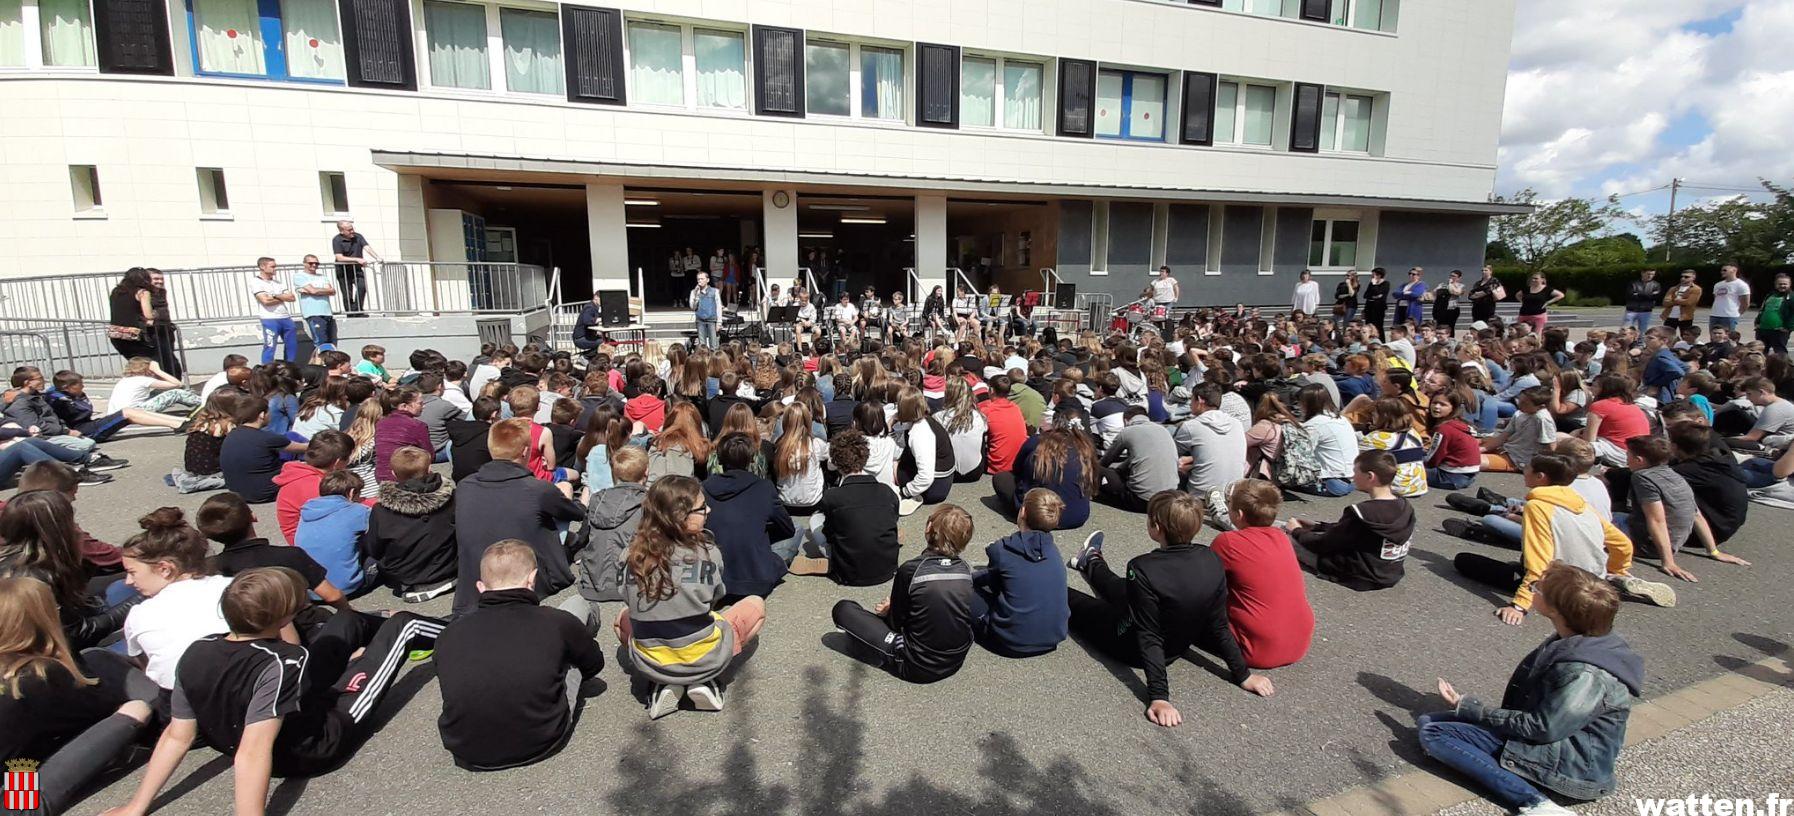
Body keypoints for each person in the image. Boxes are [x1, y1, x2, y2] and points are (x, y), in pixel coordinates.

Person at [99, 568, 445, 814]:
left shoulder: (197, 651)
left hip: (276, 718)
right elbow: (253, 752)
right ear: (283, 619)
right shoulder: (283, 662)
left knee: (348, 621)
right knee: (404, 625)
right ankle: (463, 632)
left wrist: (136, 805)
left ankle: (373, 634)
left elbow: (178, 735)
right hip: (317, 743)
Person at [1421, 562, 1642, 816]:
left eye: (1537, 588)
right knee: (1429, 720)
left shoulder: (1585, 674)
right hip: (1559, 743)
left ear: (1556, 610)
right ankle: (1506, 767)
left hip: (1573, 768)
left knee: (1434, 733)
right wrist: (1467, 709)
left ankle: (1536, 803)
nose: (1531, 589)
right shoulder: (1577, 638)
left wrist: (1475, 710)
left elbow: (1542, 728)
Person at [1064, 492, 1274, 728]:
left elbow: (1148, 635)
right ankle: (1091, 560)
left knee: (1080, 605)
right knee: (1122, 588)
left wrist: (1159, 697)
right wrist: (1243, 674)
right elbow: (1218, 624)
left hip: (1129, 644)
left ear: (1156, 527)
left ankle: (1042, 584)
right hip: (1175, 643)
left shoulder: (1142, 567)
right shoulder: (1211, 559)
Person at [434, 540, 604, 771]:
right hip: (541, 739)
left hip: (468, 751)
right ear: (532, 579)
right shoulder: (555, 621)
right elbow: (594, 665)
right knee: (579, 606)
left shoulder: (449, 634)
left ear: (481, 587)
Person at [1452, 453, 1673, 626]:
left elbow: (1539, 561)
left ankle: (1565, 590)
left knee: (1465, 561)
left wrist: (1519, 606)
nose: (1524, 470)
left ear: (1540, 476)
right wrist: (1617, 569)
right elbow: (1622, 544)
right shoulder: (1579, 502)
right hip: (1593, 574)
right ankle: (1611, 580)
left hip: (1559, 581)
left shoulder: (1537, 507)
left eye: (1528, 468)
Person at [0, 576, 158, 816]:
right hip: (14, 798)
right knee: (135, 710)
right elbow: (102, 708)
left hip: (19, 762)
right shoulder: (39, 675)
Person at [616, 476, 766, 719]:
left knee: (621, 618)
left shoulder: (630, 555)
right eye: (702, 507)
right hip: (704, 656)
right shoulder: (708, 552)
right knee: (756, 604)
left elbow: (627, 599)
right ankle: (705, 681)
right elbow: (715, 597)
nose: (709, 510)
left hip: (652, 661)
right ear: (680, 516)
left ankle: (665, 683)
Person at [452, 418, 585, 616]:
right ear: (525, 451)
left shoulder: (465, 486)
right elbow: (575, 513)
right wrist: (583, 502)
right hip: (526, 573)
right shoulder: (537, 489)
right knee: (559, 504)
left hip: (476, 577)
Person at [831, 503, 977, 683]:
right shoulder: (965, 570)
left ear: (928, 528)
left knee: (843, 609)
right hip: (955, 660)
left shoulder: (912, 570)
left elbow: (896, 622)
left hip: (916, 665)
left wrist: (889, 610)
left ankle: (875, 651)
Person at [118, 508, 232, 695]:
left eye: (132, 572)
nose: (128, 582)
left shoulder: (140, 614)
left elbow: (148, 668)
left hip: (181, 700)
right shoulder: (234, 588)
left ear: (165, 569)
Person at [1209, 480, 1314, 669]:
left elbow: (1204, 584)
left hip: (1256, 647)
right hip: (1298, 643)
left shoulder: (1228, 542)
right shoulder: (1282, 538)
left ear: (1239, 514)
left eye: (1229, 504)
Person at [197, 491, 355, 613]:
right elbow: (332, 596)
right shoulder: (289, 556)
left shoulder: (210, 568)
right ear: (253, 516)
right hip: (300, 624)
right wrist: (348, 613)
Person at [1287, 451, 1414, 590]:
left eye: (1356, 472)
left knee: (1282, 537)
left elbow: (1322, 544)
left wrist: (1296, 531)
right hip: (1388, 573)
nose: (1352, 477)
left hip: (1356, 574)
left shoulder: (1361, 512)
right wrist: (1318, 526)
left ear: (1370, 476)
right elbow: (1355, 533)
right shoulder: (1405, 507)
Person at [788, 430, 901, 585]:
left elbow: (829, 532)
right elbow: (894, 518)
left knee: (815, 519)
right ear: (865, 457)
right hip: (888, 569)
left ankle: (833, 559)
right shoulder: (886, 491)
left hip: (848, 573)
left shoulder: (832, 496)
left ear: (836, 463)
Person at [971, 489, 1069, 657]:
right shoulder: (1054, 551)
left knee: (960, 590)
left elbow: (995, 584)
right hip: (1052, 640)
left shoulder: (1002, 549)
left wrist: (969, 579)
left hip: (1009, 643)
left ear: (1023, 512)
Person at [703, 432, 797, 600]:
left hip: (715, 580)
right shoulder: (764, 487)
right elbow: (788, 529)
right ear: (752, 459)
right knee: (799, 529)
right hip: (756, 581)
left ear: (719, 459)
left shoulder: (703, 489)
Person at [363, 445, 458, 603]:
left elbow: (374, 549)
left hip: (404, 574)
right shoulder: (451, 497)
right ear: (429, 469)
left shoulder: (381, 510)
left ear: (393, 473)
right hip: (448, 565)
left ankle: (422, 583)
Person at [572, 446, 649, 603]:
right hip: (630, 584)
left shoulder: (598, 499)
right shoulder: (649, 503)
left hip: (592, 582)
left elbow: (584, 536)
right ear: (646, 471)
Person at [294, 470, 375, 596]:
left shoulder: (308, 509)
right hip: (345, 589)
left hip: (310, 590)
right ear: (352, 493)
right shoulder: (358, 511)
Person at [219, 392, 308, 503]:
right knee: (306, 469)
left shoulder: (231, 436)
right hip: (264, 492)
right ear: (262, 415)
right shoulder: (267, 438)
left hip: (237, 492)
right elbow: (304, 448)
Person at [273, 429, 353, 545]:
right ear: (337, 462)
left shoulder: (297, 474)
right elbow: (344, 517)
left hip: (300, 535)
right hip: (311, 543)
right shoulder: (319, 486)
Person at [1098, 407, 1180, 511]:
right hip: (1168, 498)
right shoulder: (1163, 430)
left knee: (1098, 470)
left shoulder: (1128, 431)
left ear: (1126, 420)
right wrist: (1119, 470)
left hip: (1141, 500)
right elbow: (1137, 458)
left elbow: (1106, 461)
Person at [1174, 383, 1248, 498]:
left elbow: (1172, 455)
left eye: (1191, 399)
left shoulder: (1191, 426)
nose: (1190, 403)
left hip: (1201, 494)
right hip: (1233, 492)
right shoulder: (1236, 424)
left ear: (1200, 400)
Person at [1299, 384, 1359, 496]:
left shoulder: (1315, 425)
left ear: (1307, 404)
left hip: (1331, 483)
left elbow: (1300, 452)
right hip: (1351, 479)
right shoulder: (1341, 419)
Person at [1480, 386, 1555, 473]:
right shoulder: (1519, 414)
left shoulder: (1543, 419)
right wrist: (1480, 449)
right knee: (1473, 443)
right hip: (1505, 449)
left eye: (1525, 403)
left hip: (1517, 460)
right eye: (1520, 400)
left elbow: (1550, 448)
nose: (1520, 404)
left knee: (1473, 461)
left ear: (1541, 407)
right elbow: (1501, 438)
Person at [374, 386, 431, 483]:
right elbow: (429, 455)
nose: (424, 406)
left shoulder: (380, 423)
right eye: (420, 403)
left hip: (381, 476)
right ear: (404, 406)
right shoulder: (417, 425)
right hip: (407, 477)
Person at [248, 257, 298, 364]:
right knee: (270, 345)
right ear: (262, 267)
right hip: (269, 318)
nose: (275, 269)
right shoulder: (256, 282)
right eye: (272, 266)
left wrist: (274, 296)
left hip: (285, 317)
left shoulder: (278, 282)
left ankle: (289, 367)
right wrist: (282, 297)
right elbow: (265, 301)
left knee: (292, 345)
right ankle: (267, 368)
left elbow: (292, 297)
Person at [979, 375, 1029, 476]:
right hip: (1018, 463)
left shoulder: (988, 411)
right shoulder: (1016, 408)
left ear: (991, 390)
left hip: (997, 466)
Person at [291, 254, 339, 351]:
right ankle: (320, 360)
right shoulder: (299, 276)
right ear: (304, 264)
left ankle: (328, 359)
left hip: (327, 312)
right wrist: (320, 291)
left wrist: (314, 291)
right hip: (313, 313)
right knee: (320, 342)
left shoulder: (322, 277)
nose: (314, 265)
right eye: (311, 263)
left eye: (317, 263)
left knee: (330, 342)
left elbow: (332, 291)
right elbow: (313, 291)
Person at [331, 219, 379, 315]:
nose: (352, 231)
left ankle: (358, 310)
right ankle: (350, 313)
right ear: (342, 231)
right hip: (343, 270)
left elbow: (367, 247)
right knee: (347, 293)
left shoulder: (358, 236)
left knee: (362, 287)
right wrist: (357, 259)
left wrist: (377, 257)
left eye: (352, 229)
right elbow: (339, 257)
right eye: (349, 230)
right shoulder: (337, 240)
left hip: (356, 269)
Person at [1754, 272, 1794, 355]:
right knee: (1760, 352)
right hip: (1763, 329)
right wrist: (1757, 322)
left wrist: (1788, 327)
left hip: (1779, 330)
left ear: (1790, 284)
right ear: (1775, 285)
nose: (1782, 286)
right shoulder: (1770, 295)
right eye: (1780, 284)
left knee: (1780, 353)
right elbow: (1762, 309)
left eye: (1785, 284)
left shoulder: (1791, 297)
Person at [1708, 263, 1750, 333]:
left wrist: (1737, 313)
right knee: (1713, 336)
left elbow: (1745, 303)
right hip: (1714, 315)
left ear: (1734, 270)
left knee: (1727, 336)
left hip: (1729, 317)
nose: (1722, 272)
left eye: (1725, 270)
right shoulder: (1718, 285)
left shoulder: (1741, 285)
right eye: (1721, 270)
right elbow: (1716, 298)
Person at [1622, 268, 1660, 332]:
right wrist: (1648, 295)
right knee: (1626, 329)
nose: (1650, 276)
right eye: (1648, 274)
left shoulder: (1656, 285)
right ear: (1642, 273)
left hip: (1646, 311)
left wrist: (1638, 294)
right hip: (1631, 310)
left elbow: (1655, 297)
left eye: (1652, 274)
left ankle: (1641, 339)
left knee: (1643, 331)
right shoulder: (1633, 283)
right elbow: (1630, 296)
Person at [690, 271, 721, 349]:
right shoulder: (694, 292)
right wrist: (696, 296)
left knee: (713, 344)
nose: (700, 281)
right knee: (702, 345)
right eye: (698, 279)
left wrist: (719, 322)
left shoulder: (715, 291)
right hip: (700, 320)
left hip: (712, 320)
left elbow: (718, 307)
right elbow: (693, 307)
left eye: (702, 279)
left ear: (707, 280)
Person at [1434, 269, 1464, 335]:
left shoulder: (1460, 285)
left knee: (1450, 326)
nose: (1451, 277)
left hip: (1452, 309)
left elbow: (1455, 292)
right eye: (1451, 275)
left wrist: (1450, 284)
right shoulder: (1443, 284)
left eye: (1454, 276)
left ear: (1459, 278)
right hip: (1441, 308)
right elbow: (1435, 292)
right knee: (1440, 326)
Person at [1361, 267, 1390, 336]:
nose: (1372, 276)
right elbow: (1365, 295)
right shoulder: (1371, 283)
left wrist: (1374, 284)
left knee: (1378, 325)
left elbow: (1379, 293)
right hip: (1369, 307)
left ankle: (1380, 339)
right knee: (1369, 324)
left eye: (1373, 275)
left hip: (1379, 308)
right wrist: (1374, 297)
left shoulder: (1386, 284)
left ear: (1379, 275)